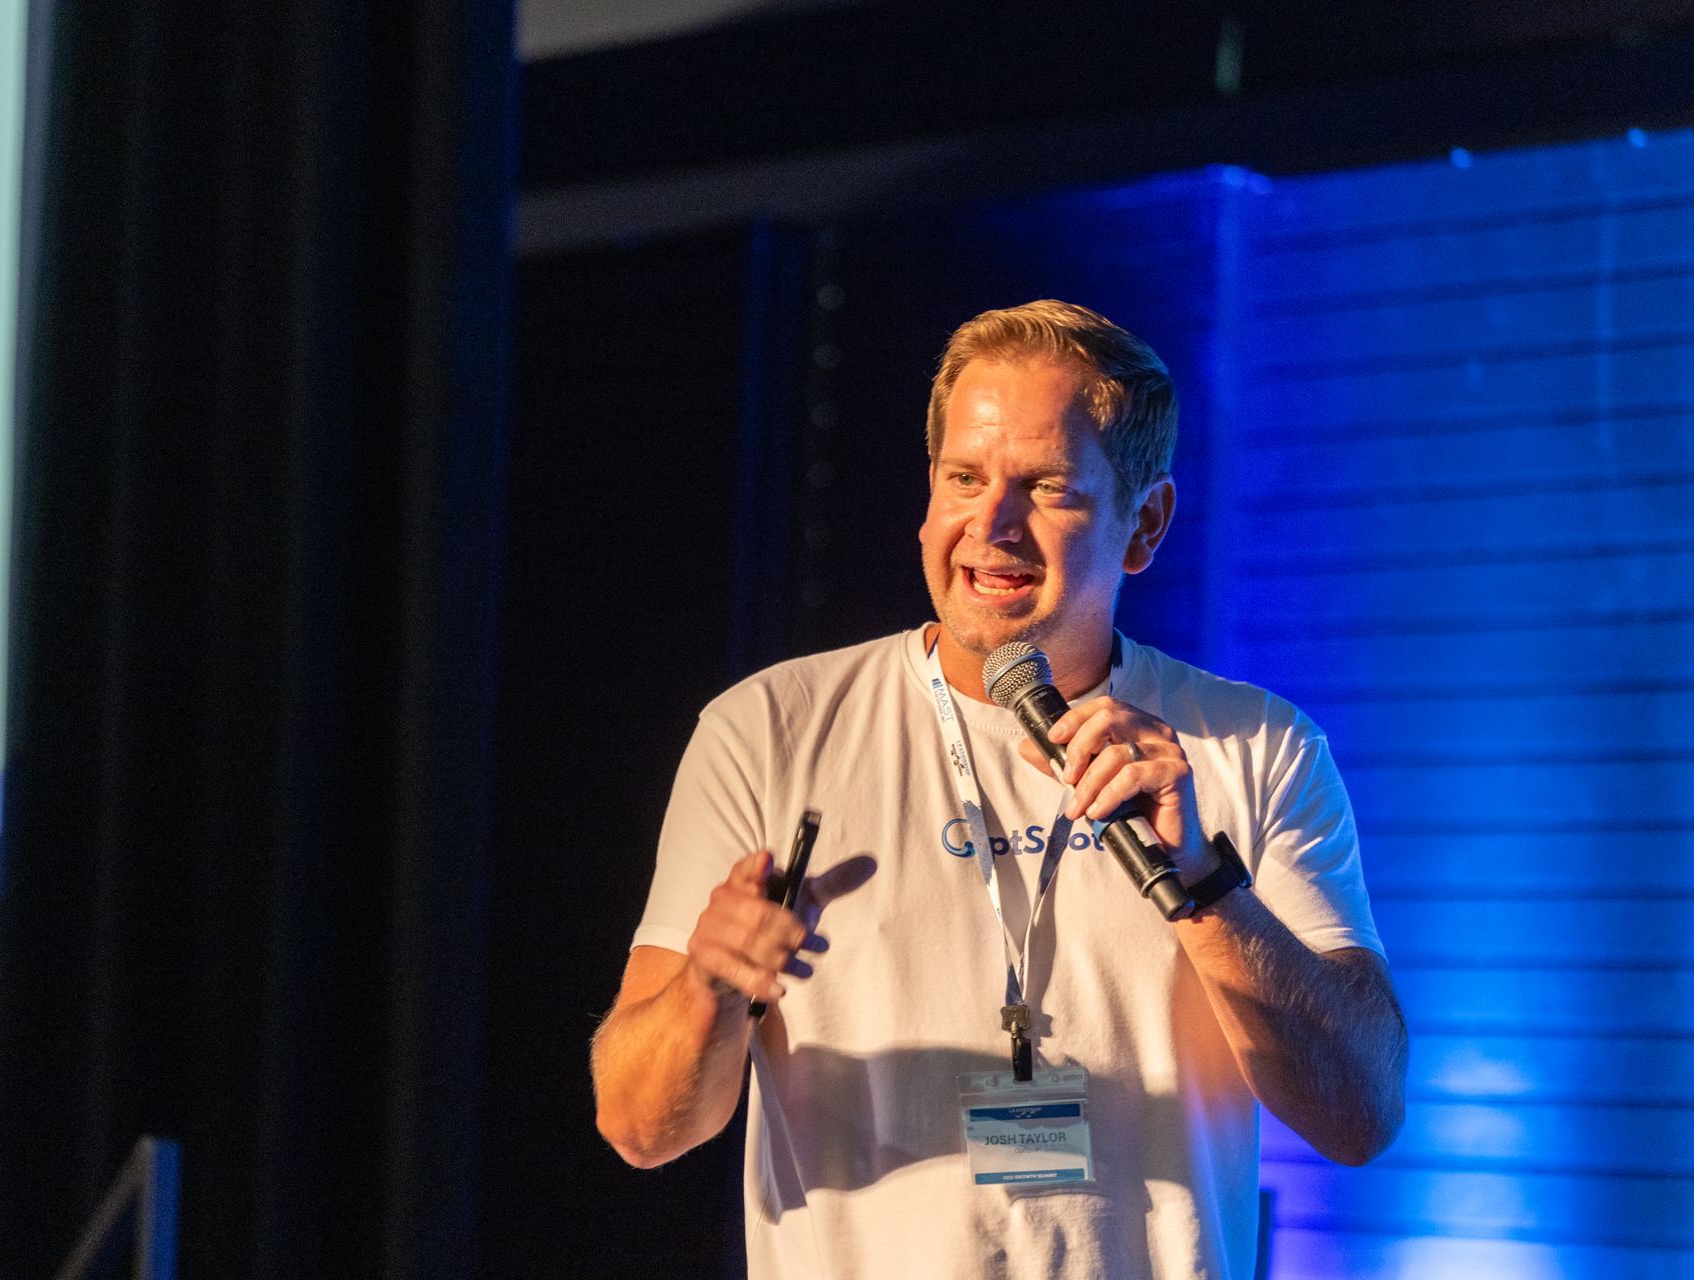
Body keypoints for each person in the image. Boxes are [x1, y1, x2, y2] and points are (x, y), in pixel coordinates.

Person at [591, 300, 1408, 1279]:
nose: (993, 524)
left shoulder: (1257, 746)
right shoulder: (770, 730)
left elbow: (1361, 1113)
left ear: (1144, 522)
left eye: (1048, 486)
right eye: (964, 478)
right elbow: (639, 1123)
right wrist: (709, 989)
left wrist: (1203, 885)